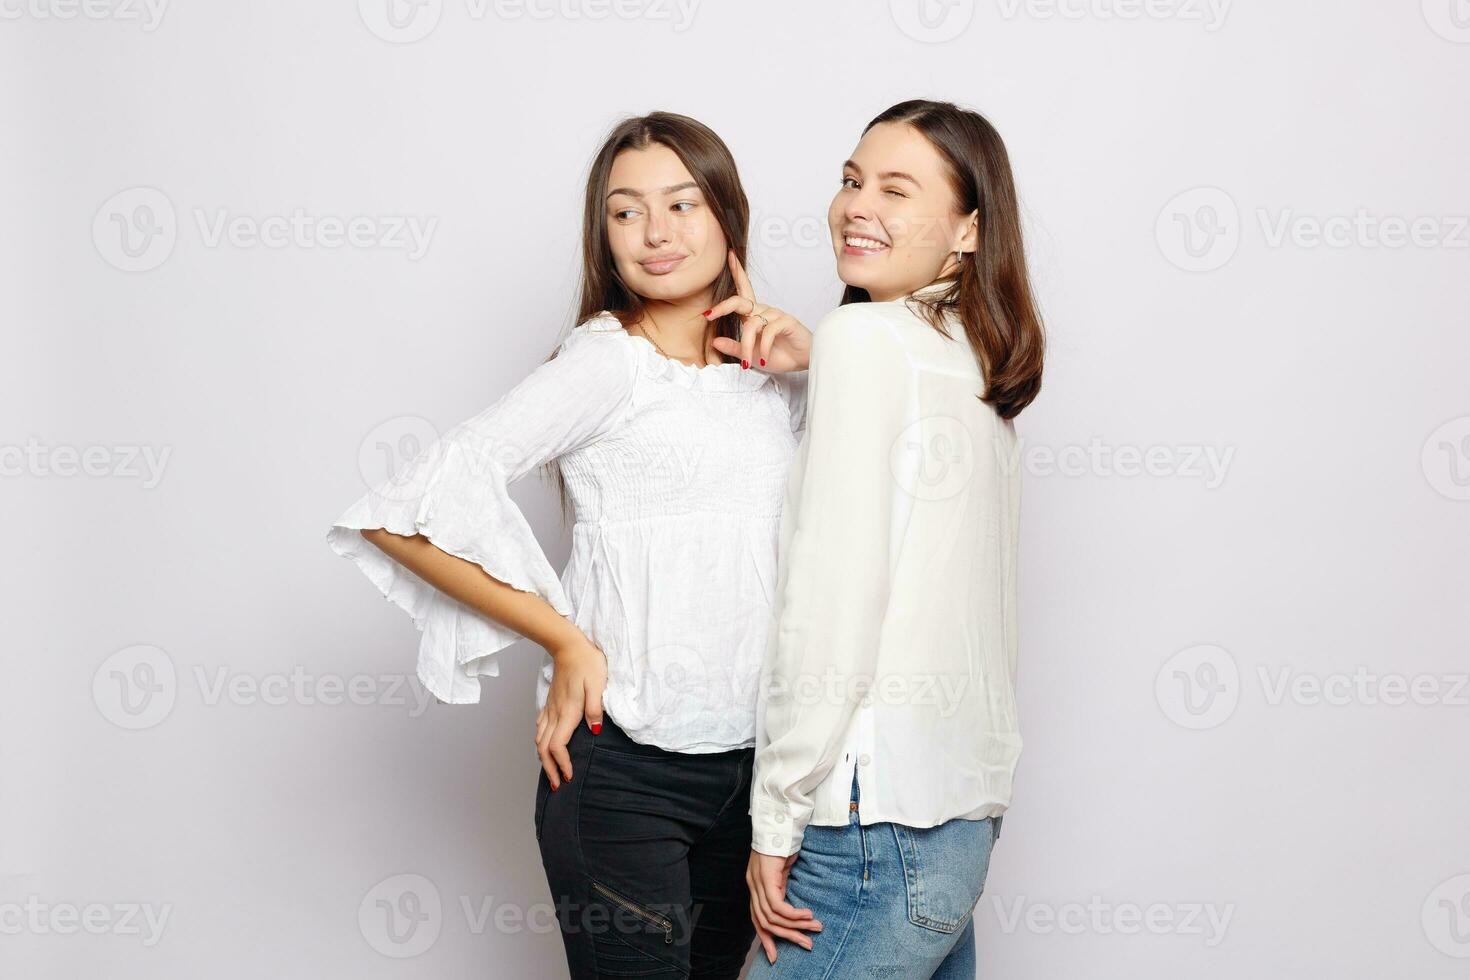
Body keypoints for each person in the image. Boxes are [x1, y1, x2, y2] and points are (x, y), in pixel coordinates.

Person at [326, 111, 820, 979]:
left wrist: (815, 362)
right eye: (626, 212)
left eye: (682, 204)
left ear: (728, 217)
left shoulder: (770, 377)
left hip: (757, 780)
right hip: (626, 774)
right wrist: (564, 637)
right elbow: (398, 510)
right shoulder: (608, 364)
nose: (656, 233)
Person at [744, 99, 1046, 979]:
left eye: (896, 188)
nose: (855, 205)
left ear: (967, 229)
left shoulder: (867, 343)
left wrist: (775, 817)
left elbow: (833, 602)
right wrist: (822, 363)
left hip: (868, 834)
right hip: (956, 822)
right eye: (850, 179)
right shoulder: (975, 363)